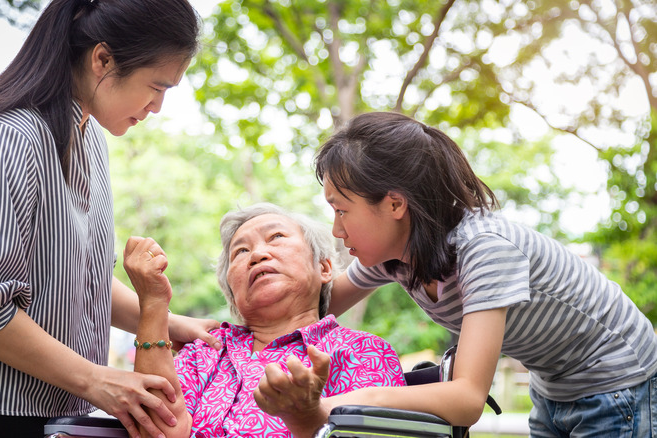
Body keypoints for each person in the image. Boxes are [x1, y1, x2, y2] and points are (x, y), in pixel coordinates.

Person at [0, 1, 221, 437]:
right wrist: (97, 380)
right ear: (102, 59)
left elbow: (81, 281)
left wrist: (172, 322)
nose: (158, 107)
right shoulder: (6, 136)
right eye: (157, 86)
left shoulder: (89, 144)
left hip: (55, 419)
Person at [255, 111, 657, 437]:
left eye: (342, 210)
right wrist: (221, 328)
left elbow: (467, 399)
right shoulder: (392, 254)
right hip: (552, 385)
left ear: (395, 204)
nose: (337, 230)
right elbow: (307, 310)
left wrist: (334, 404)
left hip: (615, 382)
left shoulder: (485, 248)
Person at [121, 203, 406, 438]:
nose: (257, 254)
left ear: (324, 267)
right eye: (241, 252)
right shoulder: (203, 352)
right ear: (232, 294)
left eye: (276, 238)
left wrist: (307, 417)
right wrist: (154, 304)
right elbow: (156, 431)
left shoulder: (363, 352)